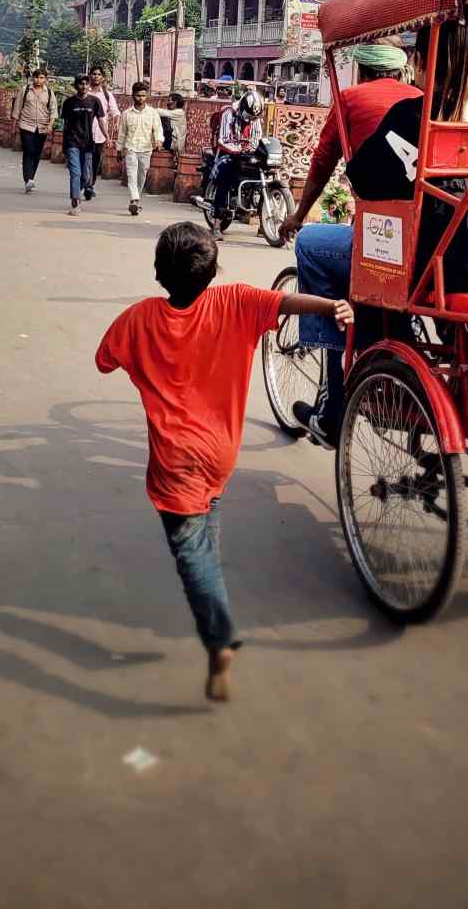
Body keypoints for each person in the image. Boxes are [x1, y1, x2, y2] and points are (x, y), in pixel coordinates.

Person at [95, 222, 352, 701]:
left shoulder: (138, 319)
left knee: (191, 553)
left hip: (175, 460)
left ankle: (219, 641)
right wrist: (332, 305)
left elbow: (104, 360)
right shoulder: (235, 301)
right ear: (213, 271)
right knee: (206, 518)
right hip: (223, 452)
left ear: (159, 273)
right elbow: (287, 303)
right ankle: (214, 605)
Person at [279, 27, 468, 445]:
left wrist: (298, 216)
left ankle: (332, 406)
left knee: (311, 245)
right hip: (466, 245)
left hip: (403, 246)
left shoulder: (404, 111)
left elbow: (338, 170)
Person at [209, 88, 264, 223]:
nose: (251, 120)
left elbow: (257, 137)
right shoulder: (229, 113)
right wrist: (239, 149)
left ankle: (256, 213)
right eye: (249, 117)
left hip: (246, 153)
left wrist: (253, 148)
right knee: (226, 174)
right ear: (242, 106)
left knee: (263, 171)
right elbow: (224, 139)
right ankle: (217, 222)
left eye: (254, 117)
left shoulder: (254, 116)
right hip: (228, 151)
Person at [61, 74, 105, 213]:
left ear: (89, 85)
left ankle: (80, 188)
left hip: (88, 143)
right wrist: (64, 143)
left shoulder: (95, 101)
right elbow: (66, 124)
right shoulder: (69, 102)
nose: (84, 86)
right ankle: (75, 200)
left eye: (86, 84)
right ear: (76, 86)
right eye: (81, 84)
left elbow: (101, 120)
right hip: (72, 142)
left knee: (86, 176)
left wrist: (107, 136)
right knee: (75, 172)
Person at [118, 81, 164, 216]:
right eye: (138, 96)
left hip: (146, 148)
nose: (141, 98)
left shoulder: (152, 113)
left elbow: (158, 129)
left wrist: (159, 141)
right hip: (131, 147)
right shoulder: (126, 114)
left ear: (147, 96)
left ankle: (136, 201)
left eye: (143, 96)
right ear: (133, 96)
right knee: (131, 174)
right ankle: (134, 199)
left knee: (141, 175)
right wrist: (119, 149)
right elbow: (122, 133)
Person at [13, 67, 57, 193]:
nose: (38, 80)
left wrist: (50, 125)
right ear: (33, 78)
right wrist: (14, 125)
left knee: (37, 153)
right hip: (26, 125)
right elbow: (17, 107)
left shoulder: (48, 92)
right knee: (29, 151)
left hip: (42, 127)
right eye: (37, 77)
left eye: (42, 77)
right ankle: (28, 179)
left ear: (45, 79)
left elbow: (53, 110)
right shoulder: (25, 90)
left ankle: (31, 177)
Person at [87, 67, 120, 191]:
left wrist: (116, 123)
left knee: (95, 160)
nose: (96, 76)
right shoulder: (86, 92)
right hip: (85, 132)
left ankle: (91, 184)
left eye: (99, 74)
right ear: (90, 76)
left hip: (100, 134)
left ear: (102, 78)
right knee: (85, 159)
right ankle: (86, 182)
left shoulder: (107, 95)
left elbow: (115, 112)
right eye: (94, 74)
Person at [160, 91, 188, 155]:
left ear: (175, 102)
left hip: (174, 143)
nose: (167, 103)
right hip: (172, 141)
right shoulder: (173, 112)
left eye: (169, 100)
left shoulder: (179, 112)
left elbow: (161, 112)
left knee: (163, 119)